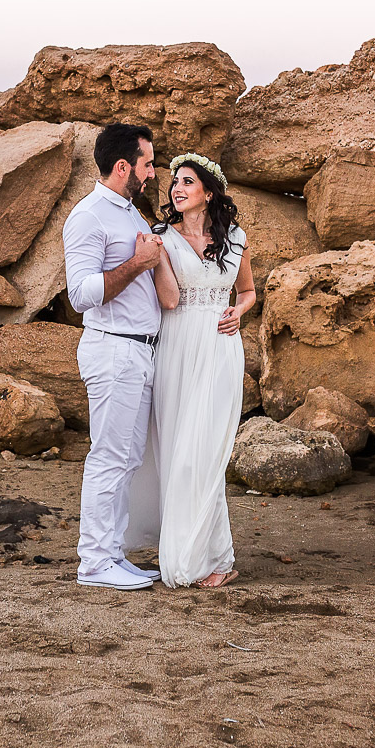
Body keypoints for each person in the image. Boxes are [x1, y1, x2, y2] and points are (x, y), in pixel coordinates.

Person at [124, 153, 255, 588]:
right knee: (178, 453)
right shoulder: (161, 236)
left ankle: (212, 556)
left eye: (187, 182)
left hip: (220, 348)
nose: (176, 189)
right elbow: (169, 301)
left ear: (209, 192)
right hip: (176, 346)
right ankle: (202, 556)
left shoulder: (235, 238)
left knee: (206, 453)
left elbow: (249, 291)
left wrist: (240, 310)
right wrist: (157, 257)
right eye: (174, 182)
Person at [62, 123, 164, 590]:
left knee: (127, 458)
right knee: (108, 456)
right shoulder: (89, 217)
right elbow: (81, 294)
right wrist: (138, 264)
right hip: (113, 349)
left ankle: (112, 552)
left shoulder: (132, 215)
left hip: (139, 351)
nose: (153, 171)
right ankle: (94, 563)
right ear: (123, 167)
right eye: (148, 163)